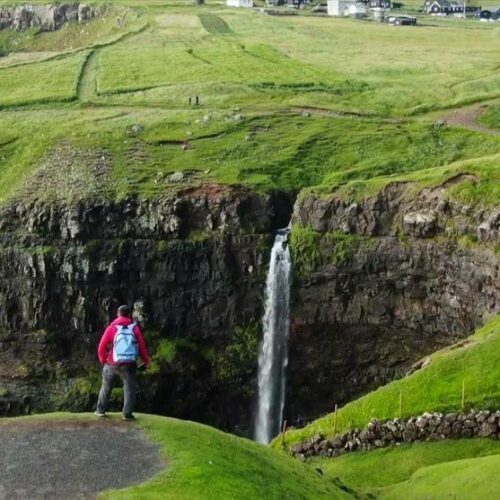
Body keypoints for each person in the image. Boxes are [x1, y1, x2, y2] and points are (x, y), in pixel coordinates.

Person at [95, 305, 150, 420]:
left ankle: (100, 410)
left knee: (106, 386)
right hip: (129, 365)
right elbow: (142, 347)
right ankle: (127, 414)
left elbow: (101, 346)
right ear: (129, 314)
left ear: (118, 314)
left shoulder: (112, 328)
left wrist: (103, 360)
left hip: (112, 363)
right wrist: (146, 361)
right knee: (129, 388)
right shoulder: (134, 329)